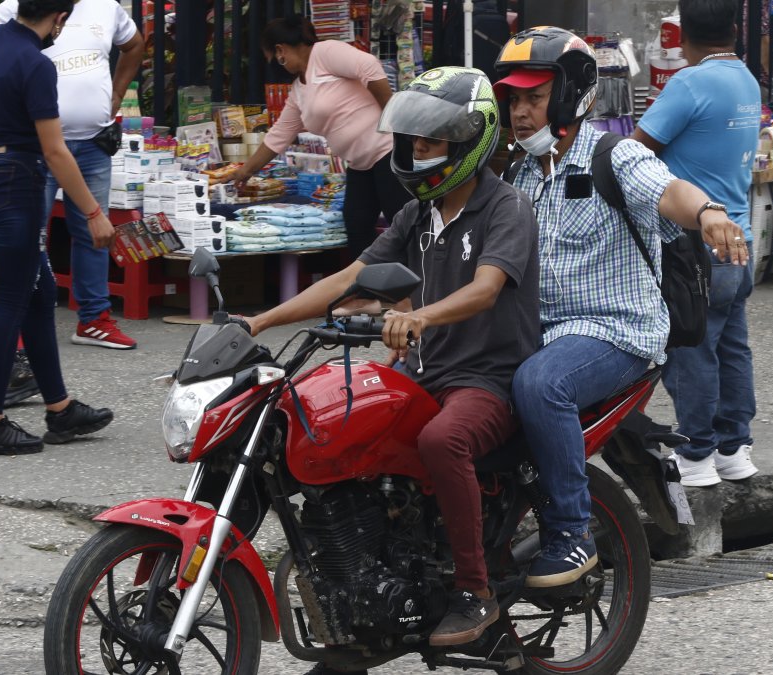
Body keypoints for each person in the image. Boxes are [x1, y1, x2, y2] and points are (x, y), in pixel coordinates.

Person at [246, 67, 538, 658]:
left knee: (441, 442)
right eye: (413, 142)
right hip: (425, 373)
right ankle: (358, 606)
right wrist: (257, 321)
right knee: (324, 431)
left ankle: (475, 591)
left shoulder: (506, 208)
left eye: (431, 142)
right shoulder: (416, 214)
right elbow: (350, 278)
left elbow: (486, 289)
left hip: (487, 380)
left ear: (467, 143)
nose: (419, 153)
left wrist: (421, 318)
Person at [496, 26, 747, 588]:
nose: (520, 112)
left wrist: (707, 213)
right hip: (539, 330)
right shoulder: (515, 174)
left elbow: (667, 190)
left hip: (615, 330)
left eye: (534, 97)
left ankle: (570, 533)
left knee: (542, 385)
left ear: (567, 96)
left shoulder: (616, 154)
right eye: (513, 99)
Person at [631, 0, 759, 487]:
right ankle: (735, 448)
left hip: (694, 245)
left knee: (692, 351)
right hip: (738, 241)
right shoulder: (744, 78)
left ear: (681, 34)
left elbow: (634, 151)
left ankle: (697, 455)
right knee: (731, 348)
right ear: (732, 29)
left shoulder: (688, 83)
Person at [0, 0, 116, 456]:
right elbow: (56, 150)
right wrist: (92, 212)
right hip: (16, 185)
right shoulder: (37, 64)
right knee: (8, 298)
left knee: (40, 294)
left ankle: (60, 409)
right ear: (59, 18)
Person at [0, 0, 143, 350]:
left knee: (94, 235)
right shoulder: (22, 5)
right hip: (38, 145)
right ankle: (13, 321)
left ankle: (93, 319)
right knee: (27, 235)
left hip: (92, 141)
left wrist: (118, 92)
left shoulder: (106, 7)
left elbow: (134, 44)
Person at [234, 15, 412, 255]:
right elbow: (279, 135)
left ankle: (424, 286)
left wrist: (393, 116)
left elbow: (368, 65)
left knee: (403, 223)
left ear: (280, 51)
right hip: (359, 164)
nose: (274, 65)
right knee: (357, 225)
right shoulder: (299, 90)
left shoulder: (324, 53)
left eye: (271, 58)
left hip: (386, 152)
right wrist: (245, 171)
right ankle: (373, 289)